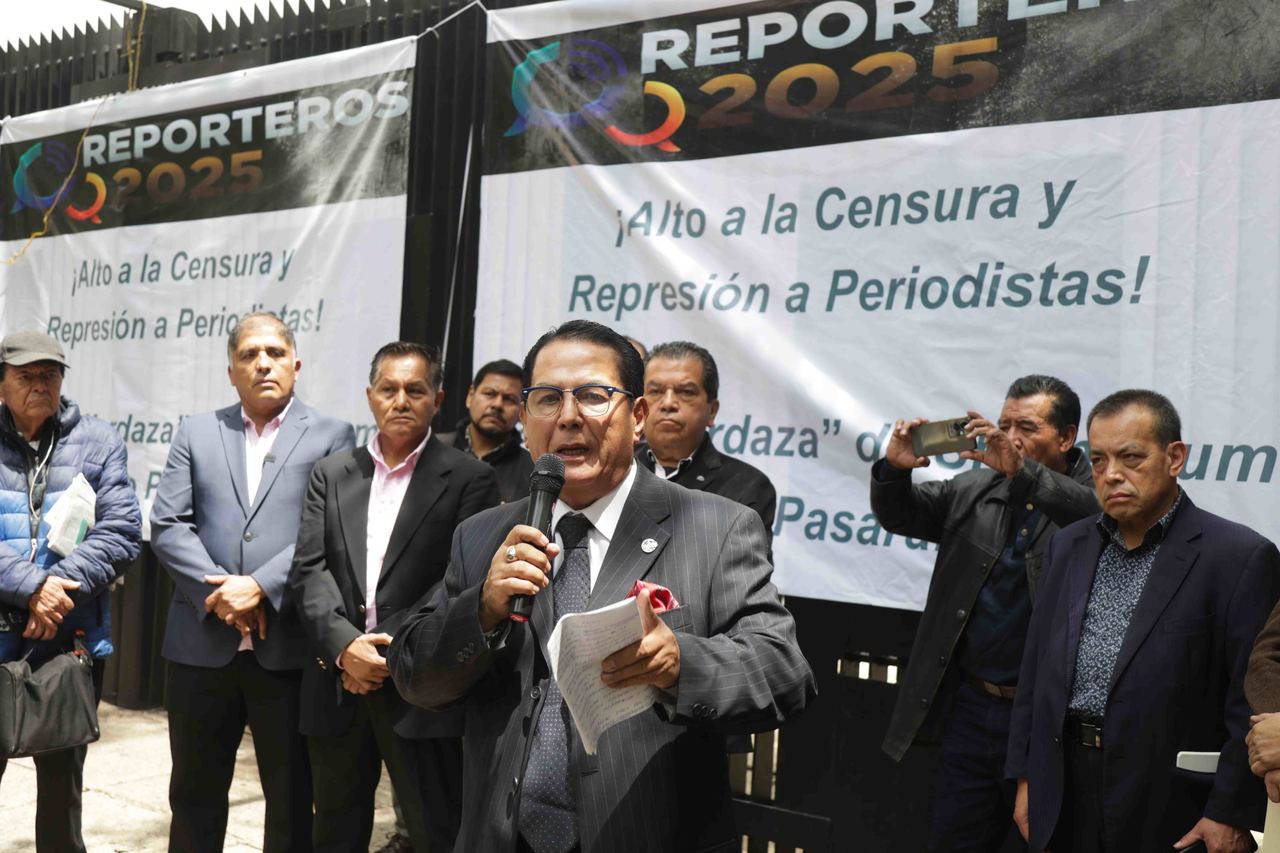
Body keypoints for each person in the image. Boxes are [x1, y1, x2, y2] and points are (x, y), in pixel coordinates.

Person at [386, 319, 815, 852]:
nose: (568, 417)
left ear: (638, 418)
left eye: (593, 396)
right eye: (547, 399)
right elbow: (416, 678)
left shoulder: (717, 527)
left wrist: (681, 663)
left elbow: (783, 673)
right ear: (525, 419)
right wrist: (482, 610)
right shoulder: (483, 536)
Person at [1007, 390, 1279, 853]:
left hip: (1169, 803)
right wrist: (1026, 774)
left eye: (1130, 457)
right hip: (1063, 785)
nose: (1111, 474)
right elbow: (1035, 672)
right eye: (1098, 460)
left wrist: (1230, 811)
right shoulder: (1067, 546)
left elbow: (1248, 700)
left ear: (1175, 458)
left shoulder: (1239, 557)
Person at [150, 313, 355, 853]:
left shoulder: (333, 434)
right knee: (193, 795)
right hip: (201, 645)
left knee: (291, 800)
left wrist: (261, 586)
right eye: (249, 355)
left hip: (287, 648)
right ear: (231, 372)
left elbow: (328, 529)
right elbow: (168, 524)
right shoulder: (197, 431)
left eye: (274, 353)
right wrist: (220, 597)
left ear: (296, 365)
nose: (263, 363)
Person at [289, 341, 500, 852]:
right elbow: (309, 570)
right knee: (333, 833)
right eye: (388, 389)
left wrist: (382, 650)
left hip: (421, 686)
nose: (400, 400)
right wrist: (346, 647)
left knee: (434, 834)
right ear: (370, 397)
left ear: (437, 399)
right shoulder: (332, 473)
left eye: (415, 390)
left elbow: (459, 579)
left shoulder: (470, 479)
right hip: (339, 685)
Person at [872, 375, 1096, 851]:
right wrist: (894, 471)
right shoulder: (974, 487)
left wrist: (1024, 474)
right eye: (1004, 424)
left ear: (1066, 437)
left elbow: (1100, 522)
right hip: (973, 707)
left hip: (1047, 717)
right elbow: (902, 514)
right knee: (956, 839)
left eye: (1027, 428)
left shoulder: (1097, 493)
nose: (1009, 437)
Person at [0, 329, 142, 852]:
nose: (41, 385)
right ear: (0, 384)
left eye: (50, 374)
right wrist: (32, 587)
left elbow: (122, 531)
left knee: (62, 796)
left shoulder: (98, 441)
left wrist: (56, 594)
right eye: (26, 376)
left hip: (66, 641)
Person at [637, 341, 777, 540]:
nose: (668, 403)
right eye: (655, 391)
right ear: (639, 408)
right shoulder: (616, 470)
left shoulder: (747, 487)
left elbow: (743, 561)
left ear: (712, 411)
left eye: (686, 392)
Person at [438, 358, 534, 503]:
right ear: (470, 396)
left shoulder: (531, 473)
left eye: (509, 399)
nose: (497, 404)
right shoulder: (433, 450)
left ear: (522, 411)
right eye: (490, 394)